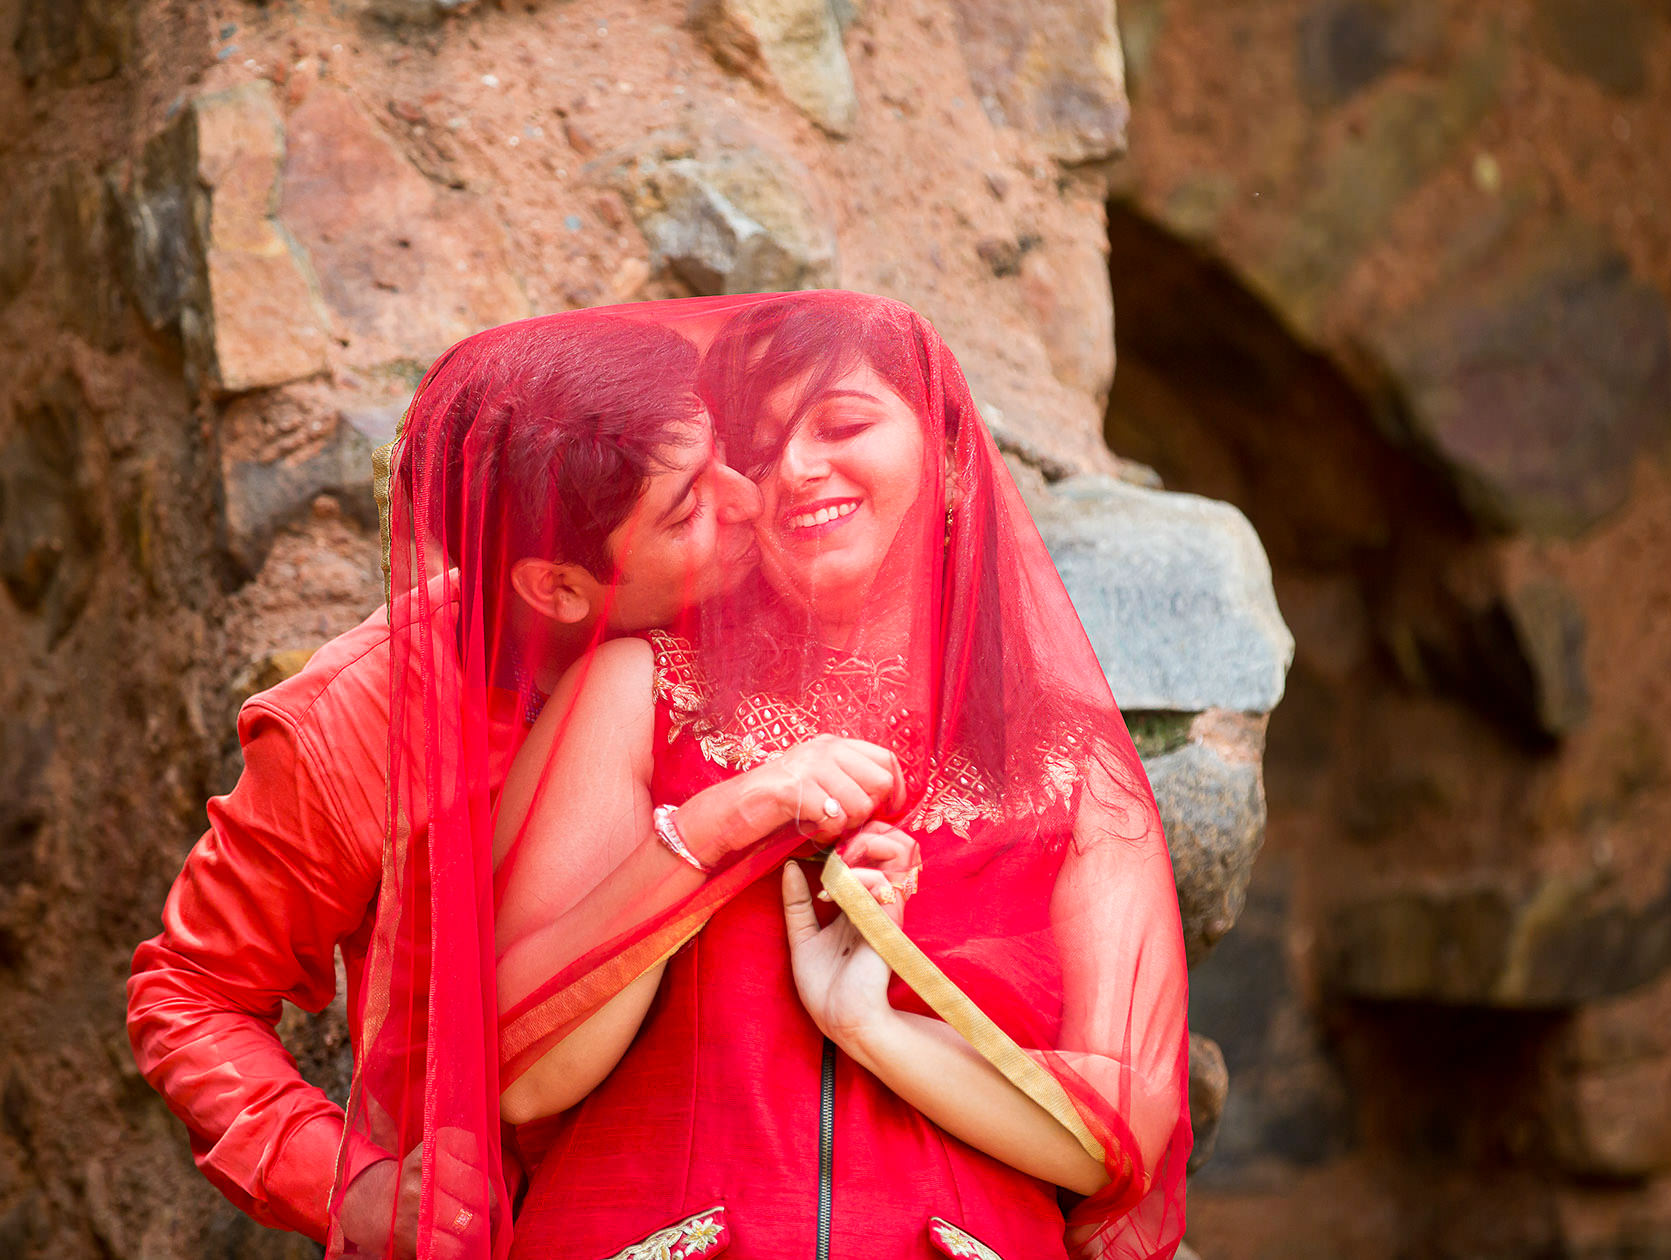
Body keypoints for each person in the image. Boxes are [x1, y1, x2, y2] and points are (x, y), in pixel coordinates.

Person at [127, 310, 908, 1256]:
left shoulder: (771, 607)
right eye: (687, 509)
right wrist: (352, 1188)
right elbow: (190, 992)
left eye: (721, 457)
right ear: (558, 589)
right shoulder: (355, 725)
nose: (750, 497)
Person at [473, 292, 1193, 1260]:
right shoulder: (640, 691)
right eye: (757, 451)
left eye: (842, 426)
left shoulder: (1073, 765)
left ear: (950, 455)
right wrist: (716, 828)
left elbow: (1124, 1130)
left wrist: (870, 1024)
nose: (796, 470)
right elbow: (523, 1074)